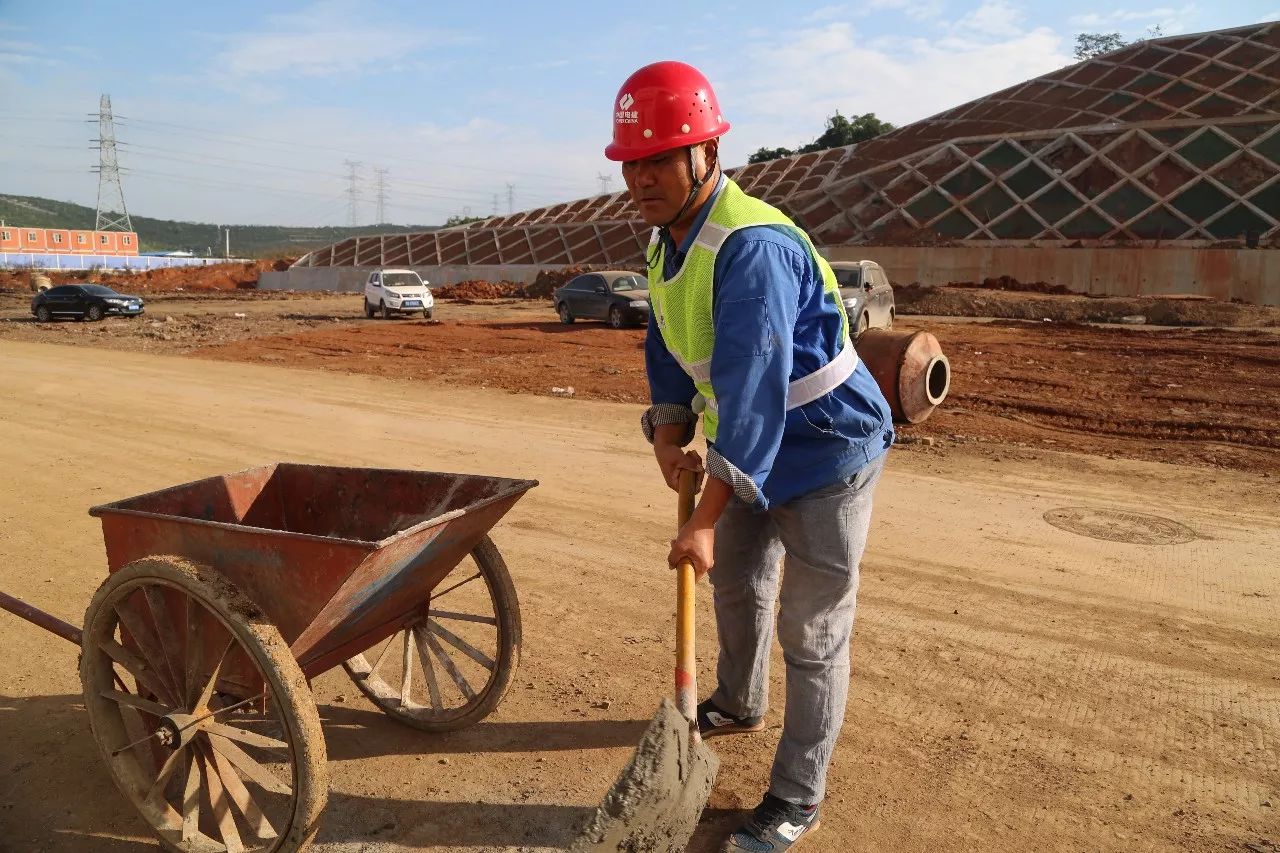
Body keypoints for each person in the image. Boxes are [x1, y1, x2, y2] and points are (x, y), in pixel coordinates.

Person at [605, 61, 894, 852]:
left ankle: (797, 798)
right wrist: (668, 431)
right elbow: (669, 340)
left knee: (811, 629)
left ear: (706, 155)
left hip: (827, 448)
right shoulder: (669, 244)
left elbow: (757, 390)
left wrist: (702, 515)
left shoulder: (752, 246)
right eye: (632, 161)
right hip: (753, 443)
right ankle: (737, 700)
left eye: (660, 157)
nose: (642, 176)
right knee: (736, 583)